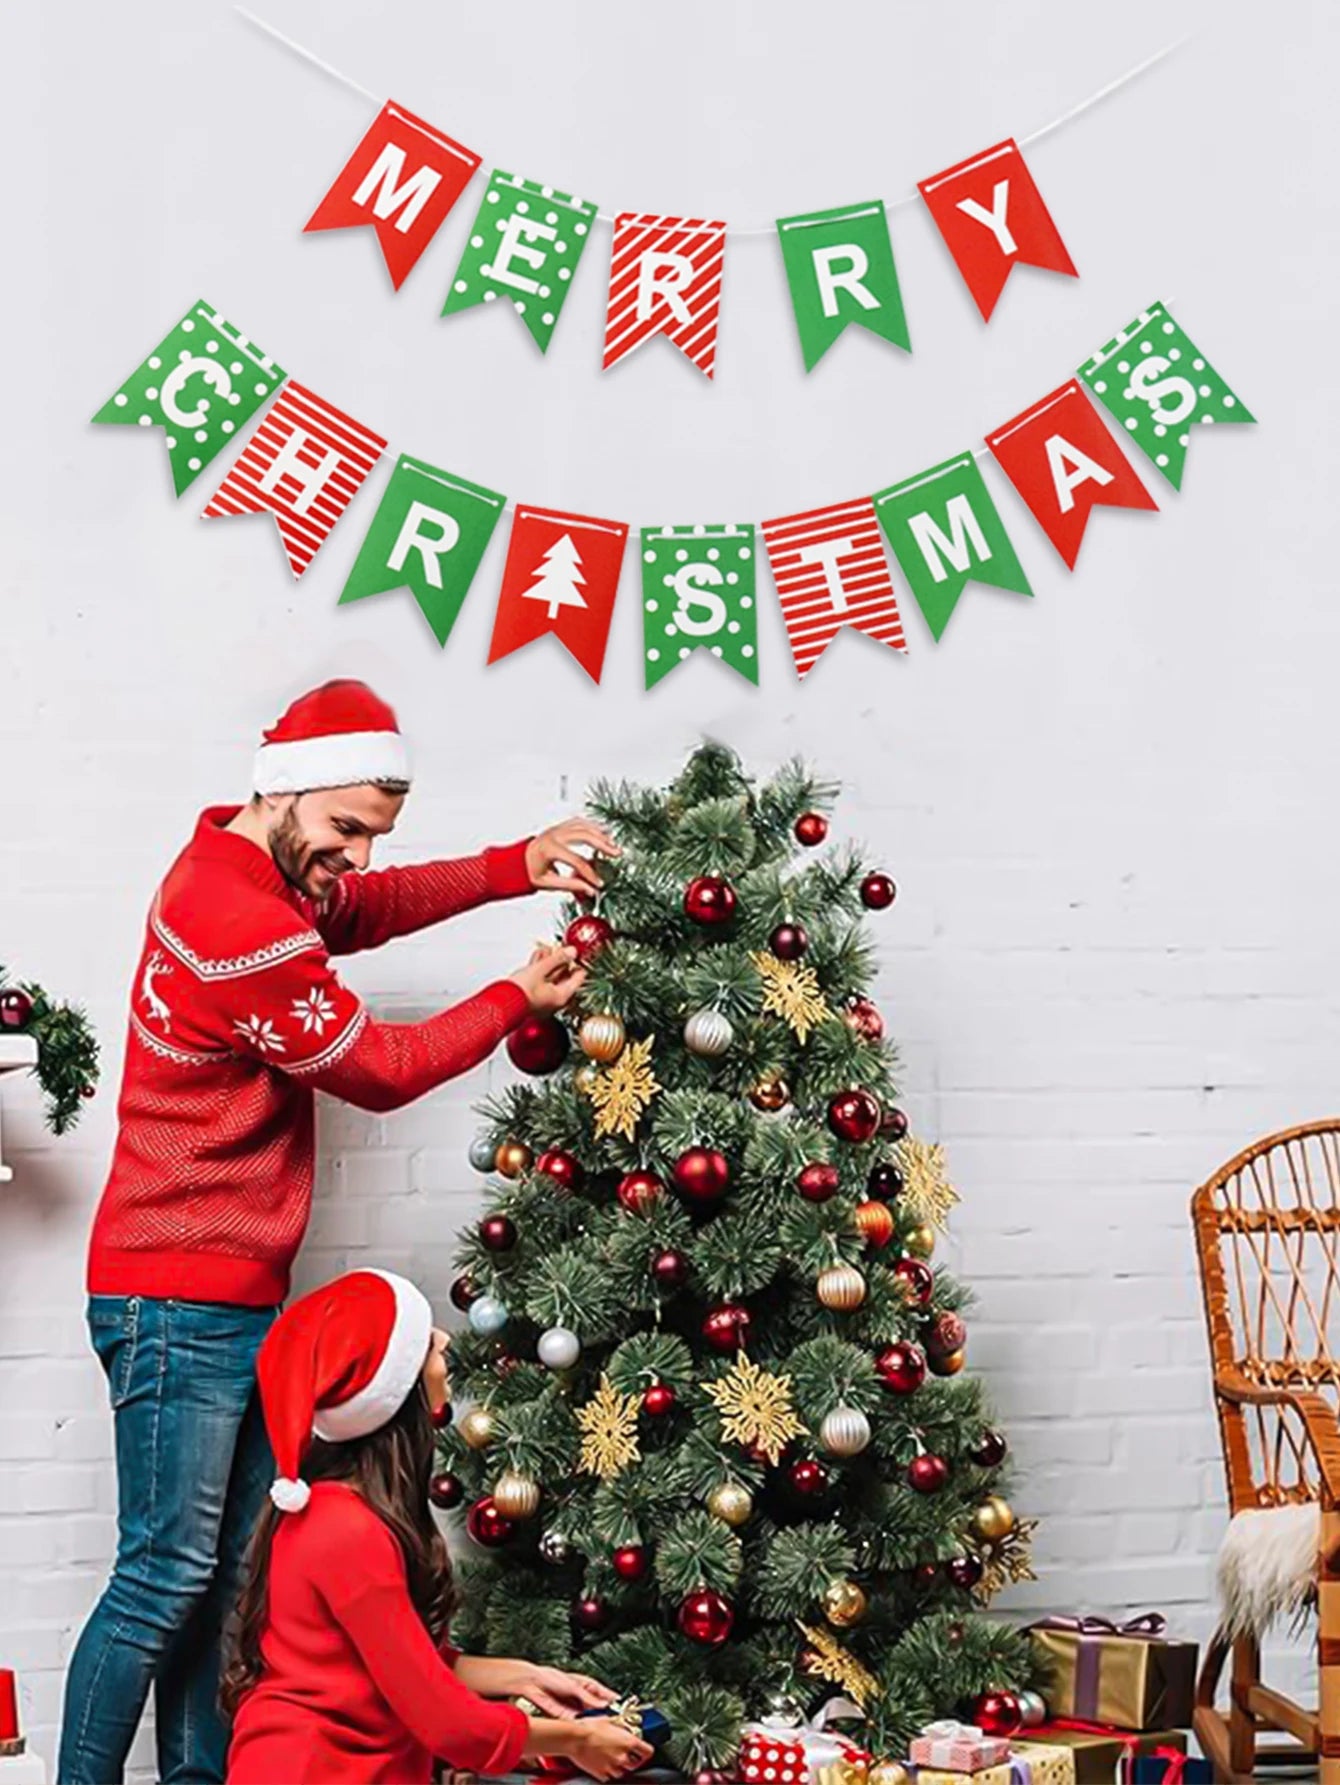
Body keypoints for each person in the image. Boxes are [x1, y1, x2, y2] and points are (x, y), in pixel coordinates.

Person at [59, 680, 618, 1785]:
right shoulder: (236, 919)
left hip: (225, 1291)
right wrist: (514, 995)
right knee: (163, 1575)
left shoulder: (252, 863)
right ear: (283, 792)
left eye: (373, 833)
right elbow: (380, 1069)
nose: (356, 856)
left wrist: (515, 862)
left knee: (224, 1583)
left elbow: (363, 910)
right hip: (174, 1294)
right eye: (344, 828)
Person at [223, 1269, 653, 1784]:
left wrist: (530, 1678)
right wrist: (579, 1739)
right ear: (394, 1390)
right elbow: (447, 1725)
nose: (445, 1341)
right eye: (425, 1343)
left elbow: (403, 1666)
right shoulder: (345, 1531)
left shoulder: (344, 1511)